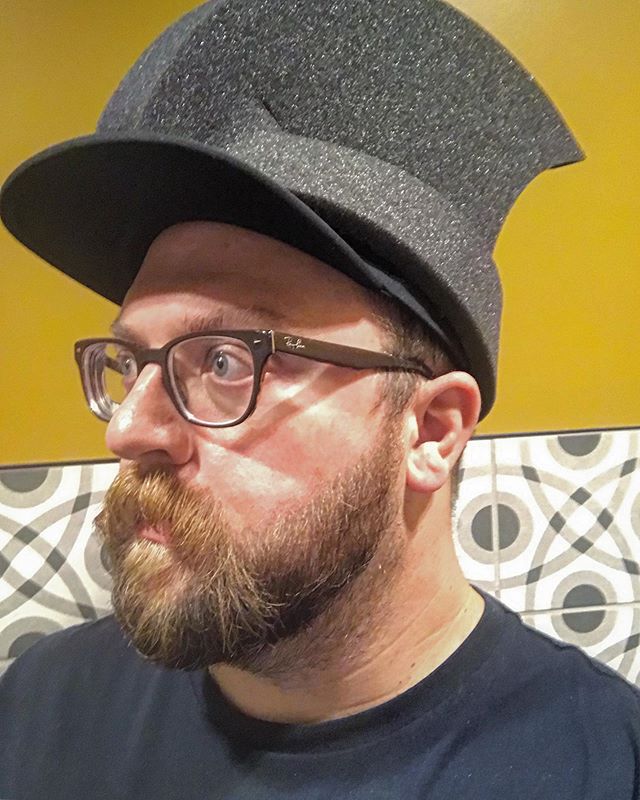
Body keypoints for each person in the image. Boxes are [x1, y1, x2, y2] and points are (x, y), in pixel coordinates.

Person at [0, 1, 638, 798]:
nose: (129, 430)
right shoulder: (39, 710)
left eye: (225, 359)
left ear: (431, 430)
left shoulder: (600, 768)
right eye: (131, 364)